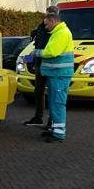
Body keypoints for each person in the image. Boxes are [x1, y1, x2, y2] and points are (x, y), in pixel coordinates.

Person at [31, 13, 74, 143]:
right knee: (54, 103)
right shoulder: (59, 32)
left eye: (46, 24)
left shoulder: (61, 33)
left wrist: (36, 52)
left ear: (53, 21)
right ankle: (55, 129)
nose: (45, 27)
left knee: (58, 104)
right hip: (56, 74)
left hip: (59, 74)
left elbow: (51, 52)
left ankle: (59, 134)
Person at [23, 6, 59, 127]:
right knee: (39, 92)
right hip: (41, 65)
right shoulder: (41, 27)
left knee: (52, 94)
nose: (47, 18)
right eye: (47, 14)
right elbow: (37, 47)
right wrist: (28, 59)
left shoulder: (57, 30)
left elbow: (47, 50)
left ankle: (51, 121)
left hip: (51, 66)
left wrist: (31, 58)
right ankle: (39, 118)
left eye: (50, 15)